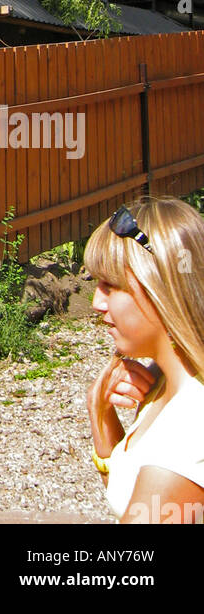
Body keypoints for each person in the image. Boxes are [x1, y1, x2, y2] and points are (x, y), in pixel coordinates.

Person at [85, 197, 204, 524]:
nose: (96, 302)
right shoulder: (166, 383)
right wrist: (100, 410)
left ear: (162, 288)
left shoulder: (190, 428)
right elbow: (129, 494)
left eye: (110, 286)